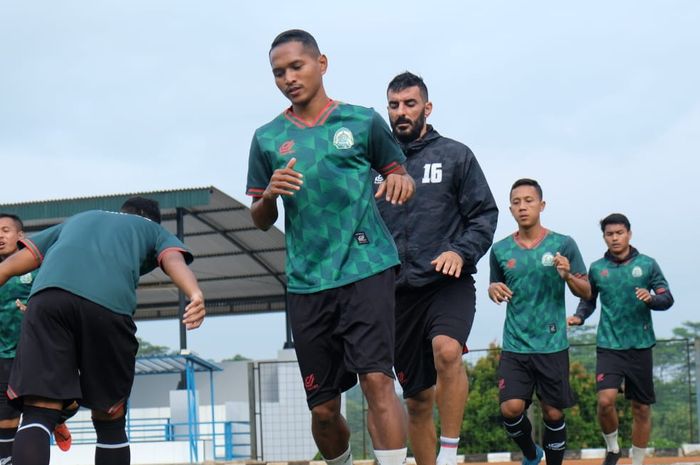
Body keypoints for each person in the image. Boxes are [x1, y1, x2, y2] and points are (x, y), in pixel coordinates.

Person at [246, 29, 414, 465]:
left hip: (366, 265)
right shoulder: (267, 138)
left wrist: (398, 178)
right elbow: (260, 220)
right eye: (278, 72)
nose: (288, 78)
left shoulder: (362, 121)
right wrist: (268, 196)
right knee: (323, 410)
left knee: (377, 380)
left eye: (296, 67)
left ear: (321, 64)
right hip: (307, 280)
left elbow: (401, 173)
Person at [0, 197, 206, 465]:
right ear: (153, 219)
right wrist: (195, 294)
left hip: (47, 302)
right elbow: (174, 260)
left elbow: (8, 266)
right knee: (110, 417)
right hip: (107, 308)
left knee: (38, 412)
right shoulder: (153, 229)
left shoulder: (79, 219)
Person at [376, 72, 498, 465]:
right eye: (394, 105)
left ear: (426, 108)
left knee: (447, 351)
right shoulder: (371, 165)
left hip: (448, 281)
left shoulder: (455, 155)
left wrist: (461, 252)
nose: (401, 112)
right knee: (416, 401)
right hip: (395, 292)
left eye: (409, 104)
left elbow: (484, 214)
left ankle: (449, 452)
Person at [488, 178, 591, 465]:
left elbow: (587, 290)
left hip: (552, 344)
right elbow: (495, 285)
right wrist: (492, 289)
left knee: (554, 413)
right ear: (510, 209)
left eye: (529, 201)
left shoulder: (563, 244)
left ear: (541, 205)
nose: (523, 207)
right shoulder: (500, 250)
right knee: (510, 409)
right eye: (517, 202)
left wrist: (568, 275)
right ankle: (532, 454)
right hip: (515, 344)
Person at [568, 213, 674, 465]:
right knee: (605, 401)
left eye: (619, 233)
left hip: (640, 345)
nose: (615, 238)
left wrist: (652, 299)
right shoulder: (597, 268)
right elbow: (589, 300)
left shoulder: (648, 265)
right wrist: (579, 317)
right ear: (604, 237)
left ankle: (636, 461)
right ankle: (613, 449)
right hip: (609, 345)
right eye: (609, 234)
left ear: (629, 233)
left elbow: (667, 298)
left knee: (641, 408)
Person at [0, 213, 74, 462]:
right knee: (6, 419)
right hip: (3, 355)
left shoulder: (37, 266)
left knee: (71, 402)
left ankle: (56, 420)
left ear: (21, 236)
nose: (0, 236)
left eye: (6, 230)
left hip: (35, 351)